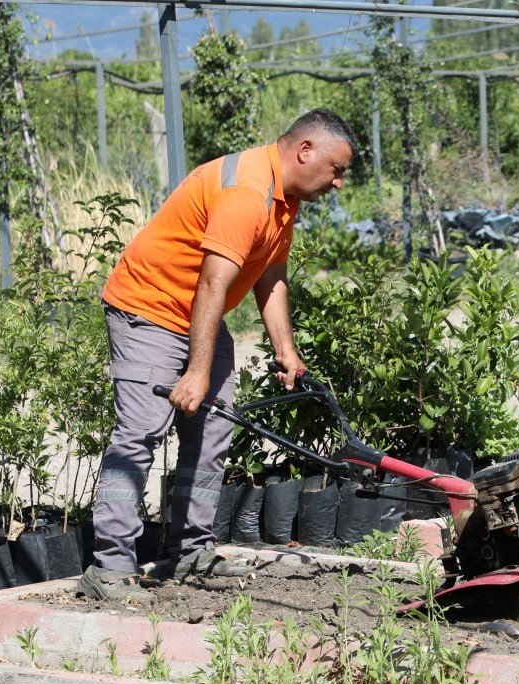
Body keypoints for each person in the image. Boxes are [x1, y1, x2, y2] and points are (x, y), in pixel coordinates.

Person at [79, 109, 356, 604]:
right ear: (305, 151)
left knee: (212, 429)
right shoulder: (247, 193)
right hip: (148, 308)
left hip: (194, 311)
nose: (337, 184)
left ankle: (191, 549)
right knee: (141, 432)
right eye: (336, 170)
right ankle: (110, 567)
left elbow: (270, 275)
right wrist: (197, 371)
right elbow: (211, 284)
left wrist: (287, 352)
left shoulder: (282, 199)